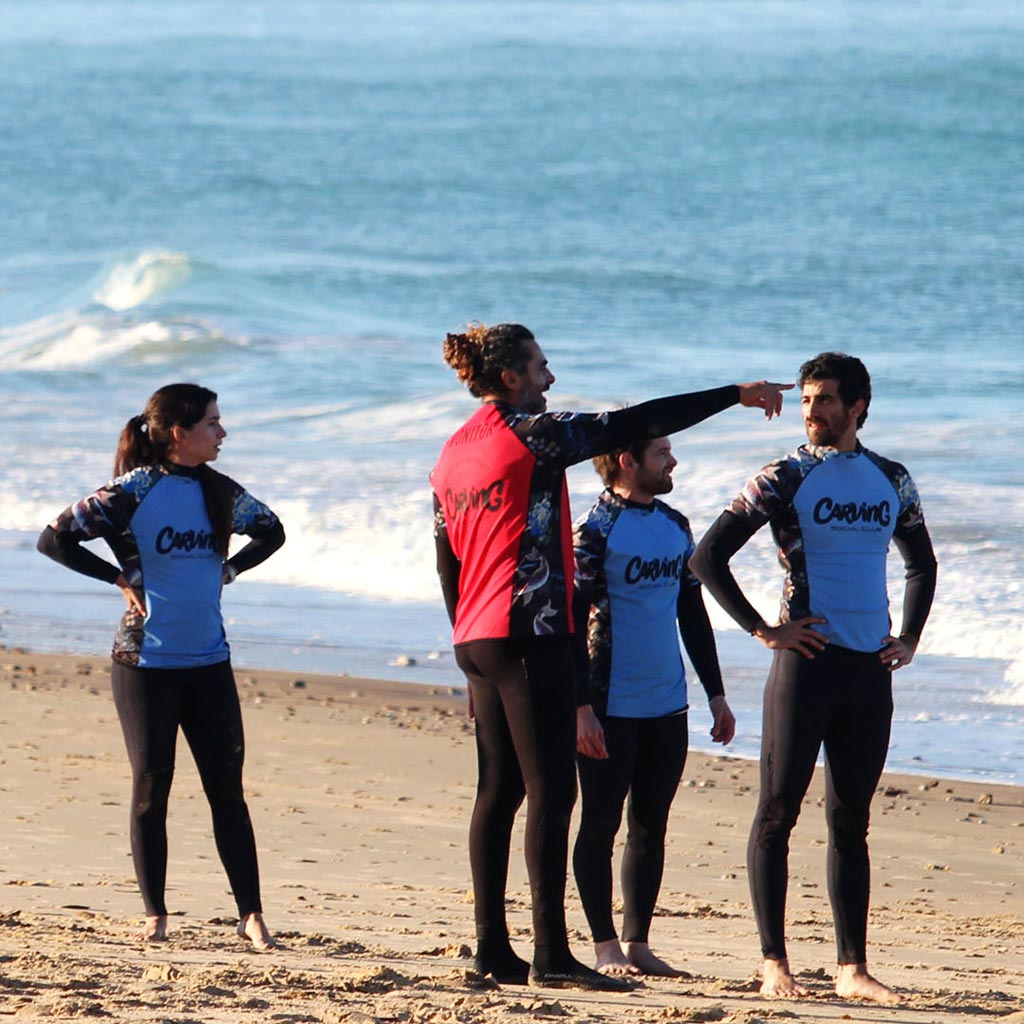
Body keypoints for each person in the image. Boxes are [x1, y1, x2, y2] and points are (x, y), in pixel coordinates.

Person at [431, 322, 790, 991]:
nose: (550, 378)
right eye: (541, 367)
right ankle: (550, 955)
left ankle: (491, 947)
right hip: (529, 633)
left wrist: (465, 630)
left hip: (476, 636)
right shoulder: (528, 433)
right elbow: (635, 421)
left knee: (498, 791)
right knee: (550, 792)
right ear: (511, 377)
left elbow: (446, 554)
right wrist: (734, 394)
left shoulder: (452, 452)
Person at [690, 352, 937, 1004]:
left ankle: (852, 967)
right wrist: (762, 630)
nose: (812, 411)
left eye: (825, 400)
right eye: (805, 401)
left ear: (857, 405)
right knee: (777, 813)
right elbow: (707, 556)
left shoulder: (893, 478)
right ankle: (775, 962)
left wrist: (908, 637)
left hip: (867, 671)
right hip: (804, 667)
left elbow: (922, 564)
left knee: (850, 821)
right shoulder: (785, 476)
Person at [37, 383, 286, 950]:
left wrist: (231, 571)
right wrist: (117, 578)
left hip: (209, 660)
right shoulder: (133, 491)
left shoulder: (221, 491)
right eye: (213, 423)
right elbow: (54, 540)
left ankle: (250, 913)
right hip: (144, 662)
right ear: (180, 432)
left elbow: (272, 531)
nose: (222, 433)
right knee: (153, 788)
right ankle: (156, 913)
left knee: (228, 791)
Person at [572, 435, 736, 978]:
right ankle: (604, 945)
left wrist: (715, 693)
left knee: (650, 824)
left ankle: (638, 942)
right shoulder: (593, 532)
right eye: (662, 453)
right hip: (608, 703)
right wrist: (579, 707)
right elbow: (572, 626)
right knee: (599, 823)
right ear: (628, 461)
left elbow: (692, 611)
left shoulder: (675, 525)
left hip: (667, 702)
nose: (673, 461)